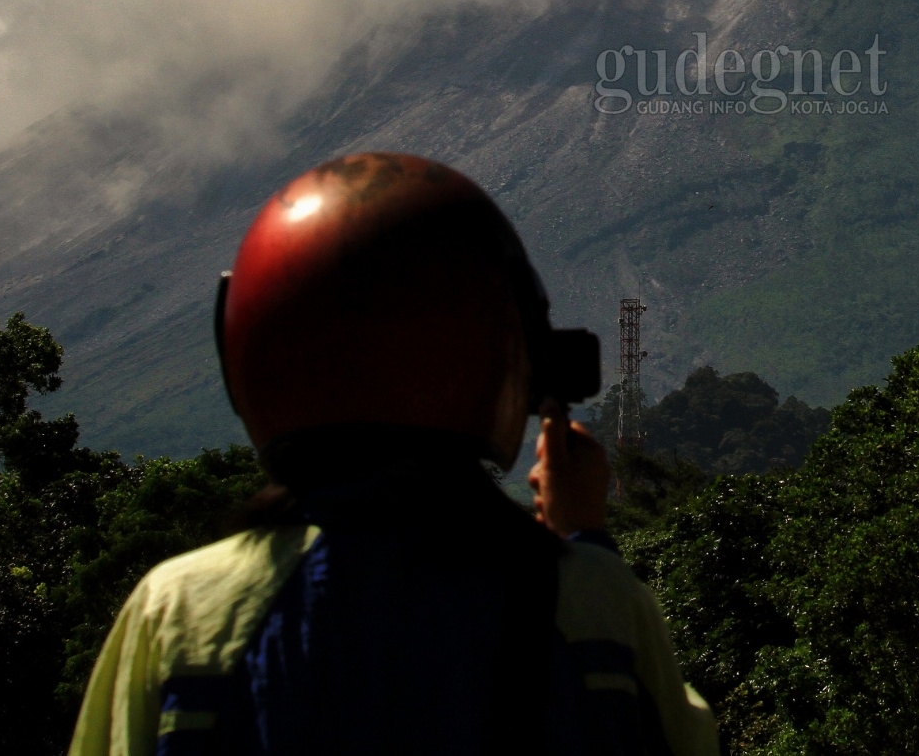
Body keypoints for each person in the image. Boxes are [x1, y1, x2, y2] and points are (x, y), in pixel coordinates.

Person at [69, 151, 717, 756]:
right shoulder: (589, 602)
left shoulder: (180, 611)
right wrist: (586, 542)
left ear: (250, 351)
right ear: (506, 356)